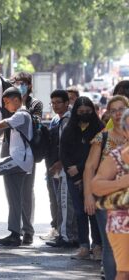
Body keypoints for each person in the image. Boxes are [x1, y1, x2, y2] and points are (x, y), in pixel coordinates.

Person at [84, 96, 129, 279]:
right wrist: (88, 195)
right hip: (110, 201)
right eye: (113, 110)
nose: (118, 113)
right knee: (112, 248)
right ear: (109, 113)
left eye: (121, 109)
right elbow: (89, 168)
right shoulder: (102, 137)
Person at [60, 96, 104, 259]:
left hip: (93, 177)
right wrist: (72, 172)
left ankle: (97, 246)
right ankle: (84, 246)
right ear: (75, 112)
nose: (84, 114)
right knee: (79, 213)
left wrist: (79, 169)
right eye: (80, 112)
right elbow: (63, 153)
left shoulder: (99, 128)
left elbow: (95, 155)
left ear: (92, 111)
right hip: (73, 177)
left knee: (93, 212)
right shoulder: (69, 129)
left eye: (87, 112)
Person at [0, 87, 33, 246]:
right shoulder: (20, 115)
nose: (6, 106)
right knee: (15, 200)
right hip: (21, 160)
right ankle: (15, 234)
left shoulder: (21, 115)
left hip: (20, 159)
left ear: (16, 100)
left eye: (7, 102)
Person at [10, 72, 43, 245]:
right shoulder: (7, 100)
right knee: (12, 192)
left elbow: (34, 122)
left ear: (29, 85)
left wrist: (19, 106)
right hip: (10, 150)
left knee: (26, 191)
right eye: (15, 82)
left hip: (27, 152)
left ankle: (28, 230)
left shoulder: (34, 103)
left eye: (22, 83)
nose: (19, 85)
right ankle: (14, 230)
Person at [45, 90, 78, 248]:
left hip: (66, 167)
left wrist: (60, 162)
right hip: (63, 166)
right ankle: (71, 235)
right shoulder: (60, 119)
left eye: (59, 102)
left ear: (67, 103)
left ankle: (65, 237)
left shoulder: (68, 119)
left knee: (64, 202)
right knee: (63, 201)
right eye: (53, 103)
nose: (55, 106)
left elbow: (67, 145)